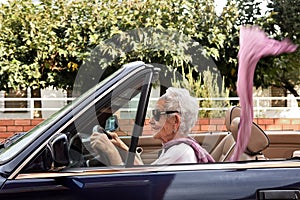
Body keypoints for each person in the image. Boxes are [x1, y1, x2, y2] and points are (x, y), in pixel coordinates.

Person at [90, 87, 215, 165]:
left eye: (156, 114)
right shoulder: (175, 148)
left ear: (175, 121)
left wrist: (111, 152)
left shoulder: (179, 153)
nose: (150, 121)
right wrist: (123, 148)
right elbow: (147, 175)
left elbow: (138, 189)